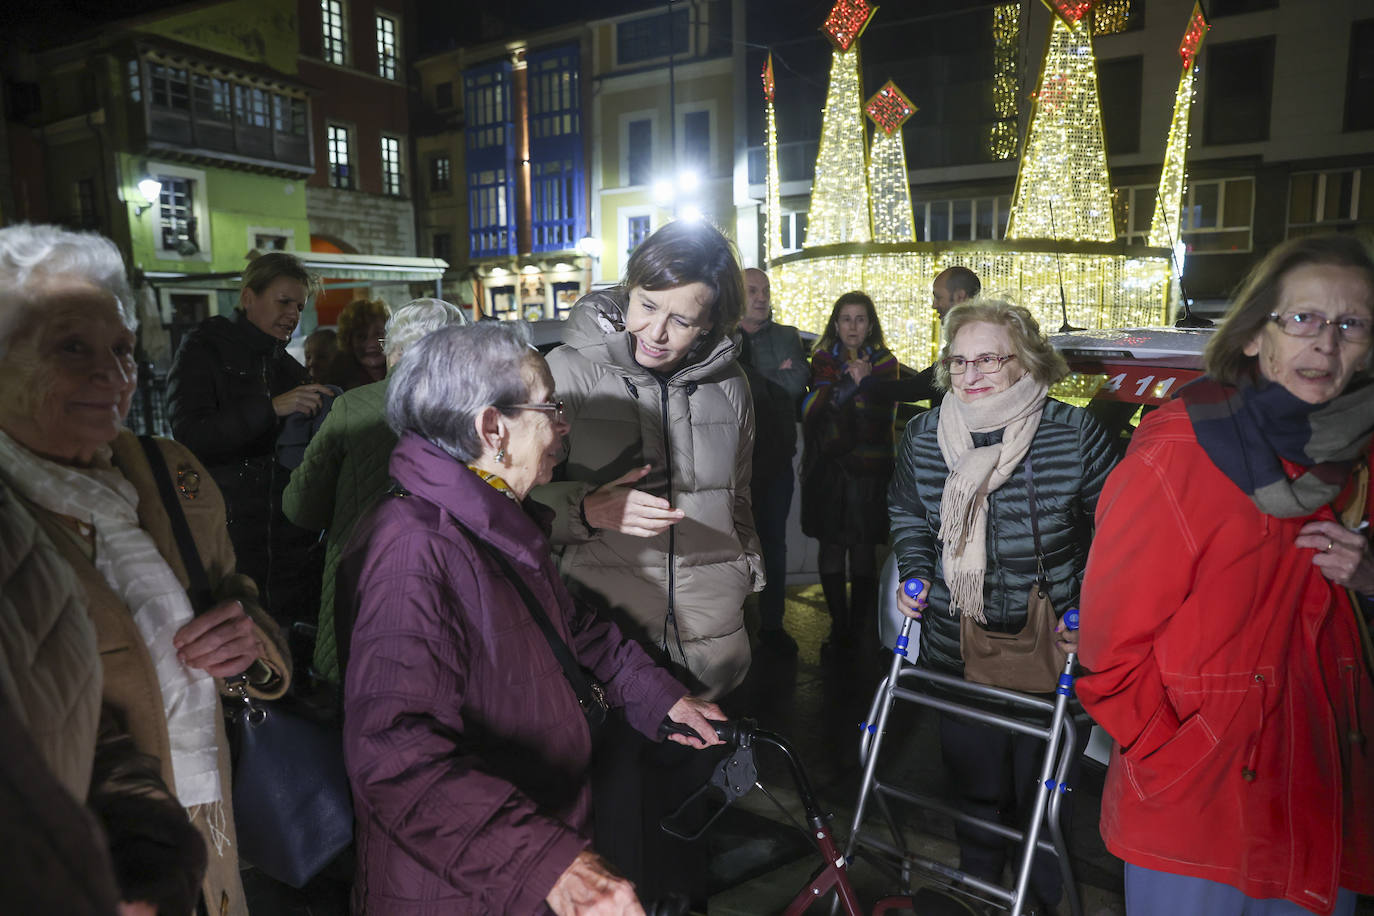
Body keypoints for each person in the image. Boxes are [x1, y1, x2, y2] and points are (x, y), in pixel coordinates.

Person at [339, 321, 726, 916]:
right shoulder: (416, 547)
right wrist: (553, 866)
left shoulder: (490, 519)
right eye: (550, 408)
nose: (563, 426)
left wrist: (661, 698)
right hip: (458, 891)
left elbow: (570, 629)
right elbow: (394, 758)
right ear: (492, 428)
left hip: (512, 861)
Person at [1076, 234, 1374, 916]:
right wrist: (1180, 754)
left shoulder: (1360, 450)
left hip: (1323, 783)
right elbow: (1108, 656)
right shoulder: (1176, 454)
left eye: (1351, 323)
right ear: (1250, 335)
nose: (1325, 345)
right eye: (1302, 318)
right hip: (1200, 805)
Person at [0, 223, 291, 916]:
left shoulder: (167, 471)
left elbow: (240, 598)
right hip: (83, 868)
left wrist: (248, 644)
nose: (113, 374)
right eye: (72, 347)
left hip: (208, 827)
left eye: (124, 351)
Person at [533, 219, 761, 901]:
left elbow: (740, 501)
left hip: (708, 655)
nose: (656, 331)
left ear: (712, 321)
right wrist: (584, 509)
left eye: (682, 320)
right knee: (614, 853)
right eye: (646, 304)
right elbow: (503, 502)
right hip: (606, 660)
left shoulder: (735, 386)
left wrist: (744, 586)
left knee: (687, 844)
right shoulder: (562, 373)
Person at [888, 299, 1118, 913]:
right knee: (975, 790)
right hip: (953, 641)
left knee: (1040, 795)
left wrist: (1087, 610)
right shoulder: (924, 433)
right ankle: (982, 893)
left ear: (1026, 359)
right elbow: (908, 510)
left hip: (1050, 648)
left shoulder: (1073, 432)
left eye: (989, 357)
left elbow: (1118, 530)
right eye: (959, 360)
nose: (972, 373)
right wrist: (916, 573)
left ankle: (1041, 900)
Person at [283, 297, 469, 684]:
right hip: (455, 590)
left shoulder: (353, 407)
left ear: (395, 348)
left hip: (363, 589)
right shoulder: (479, 410)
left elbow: (300, 507)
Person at [166, 250, 333, 621]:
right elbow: (190, 434)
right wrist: (272, 408)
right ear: (248, 298)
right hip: (227, 530)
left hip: (284, 540)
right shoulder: (204, 347)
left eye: (299, 306)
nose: (292, 314)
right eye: (283, 301)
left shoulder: (287, 367)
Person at [801, 291, 900, 659]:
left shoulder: (886, 363)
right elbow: (812, 410)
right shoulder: (822, 361)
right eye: (846, 318)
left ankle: (858, 628)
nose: (853, 326)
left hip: (870, 470)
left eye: (860, 319)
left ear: (870, 325)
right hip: (829, 471)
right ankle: (837, 626)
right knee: (830, 545)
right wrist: (850, 384)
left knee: (862, 549)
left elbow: (880, 414)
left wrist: (864, 384)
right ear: (836, 324)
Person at [738, 266, 809, 656]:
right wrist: (769, 376)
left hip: (775, 458)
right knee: (728, 546)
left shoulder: (786, 336)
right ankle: (732, 625)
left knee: (773, 544)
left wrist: (749, 377)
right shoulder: (722, 338)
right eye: (752, 290)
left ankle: (772, 625)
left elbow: (797, 382)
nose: (762, 297)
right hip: (731, 463)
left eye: (765, 290)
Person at [323, 297, 390, 391]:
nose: (372, 344)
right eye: (361, 336)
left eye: (379, 334)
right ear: (349, 341)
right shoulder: (338, 383)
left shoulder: (405, 373)